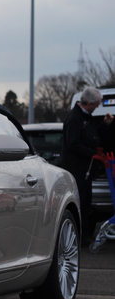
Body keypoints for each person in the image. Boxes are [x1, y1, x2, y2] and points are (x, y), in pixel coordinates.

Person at [62, 87, 113, 246]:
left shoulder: (86, 117)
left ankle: (85, 235)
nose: (97, 108)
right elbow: (73, 144)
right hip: (78, 170)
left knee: (86, 204)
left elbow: (93, 135)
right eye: (96, 105)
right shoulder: (74, 118)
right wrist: (93, 154)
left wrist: (104, 125)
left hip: (87, 170)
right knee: (80, 204)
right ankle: (80, 238)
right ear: (89, 103)